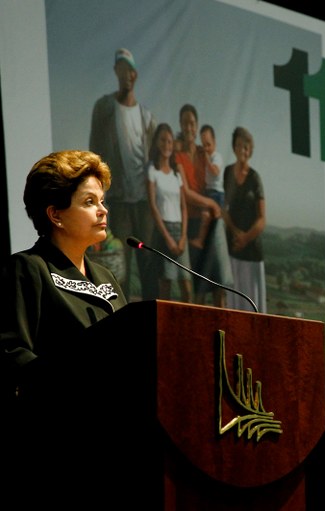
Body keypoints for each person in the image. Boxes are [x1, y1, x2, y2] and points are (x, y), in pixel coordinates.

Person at [0, 150, 127, 504]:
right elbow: (13, 353)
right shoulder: (29, 269)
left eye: (102, 201)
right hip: (61, 447)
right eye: (89, 202)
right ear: (55, 214)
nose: (103, 210)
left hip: (118, 444)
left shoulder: (107, 278)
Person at [89, 47, 157, 300]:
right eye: (121, 69)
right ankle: (124, 321)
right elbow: (95, 150)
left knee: (148, 262)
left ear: (135, 74)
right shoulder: (105, 107)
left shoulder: (146, 116)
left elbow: (154, 159)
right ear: (116, 72)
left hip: (144, 202)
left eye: (129, 69)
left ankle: (155, 320)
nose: (125, 74)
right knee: (121, 267)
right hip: (118, 199)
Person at [175, 103, 233, 307]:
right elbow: (186, 194)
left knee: (220, 284)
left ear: (197, 125)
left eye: (192, 123)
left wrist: (215, 204)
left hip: (212, 220)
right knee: (199, 288)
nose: (189, 127)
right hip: (192, 223)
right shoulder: (178, 156)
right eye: (185, 123)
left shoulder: (204, 152)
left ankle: (224, 333)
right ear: (181, 125)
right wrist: (210, 202)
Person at [147, 123, 193, 302]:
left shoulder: (176, 173)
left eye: (170, 141)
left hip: (180, 230)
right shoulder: (152, 170)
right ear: (157, 143)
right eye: (163, 141)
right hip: (163, 230)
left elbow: (183, 207)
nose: (167, 145)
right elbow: (153, 206)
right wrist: (167, 238)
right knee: (165, 286)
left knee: (187, 289)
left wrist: (182, 237)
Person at [222, 126, 266, 312]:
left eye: (247, 146)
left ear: (251, 151)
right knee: (233, 307)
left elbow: (262, 219)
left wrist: (245, 238)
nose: (243, 150)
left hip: (252, 253)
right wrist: (234, 232)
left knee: (252, 308)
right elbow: (223, 209)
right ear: (234, 147)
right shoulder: (226, 173)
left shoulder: (255, 178)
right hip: (231, 250)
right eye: (239, 145)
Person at [190, 124, 224, 250]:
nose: (206, 148)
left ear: (214, 142)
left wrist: (207, 159)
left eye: (208, 144)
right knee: (203, 214)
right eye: (204, 145)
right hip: (208, 191)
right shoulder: (206, 155)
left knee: (206, 215)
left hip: (216, 193)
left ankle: (201, 240)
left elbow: (215, 171)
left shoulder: (217, 156)